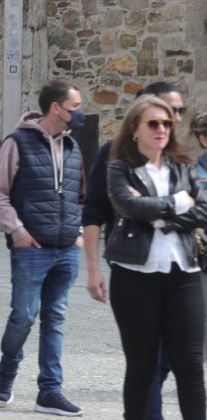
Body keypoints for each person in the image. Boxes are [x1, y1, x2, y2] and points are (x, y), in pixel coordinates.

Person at [83, 82, 185, 419]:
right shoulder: (114, 155)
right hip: (134, 268)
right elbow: (95, 211)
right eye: (162, 116)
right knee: (149, 362)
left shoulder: (180, 160)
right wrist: (94, 270)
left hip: (181, 272)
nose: (171, 121)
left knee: (174, 357)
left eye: (176, 115)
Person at [0, 79, 86, 416]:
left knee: (55, 319)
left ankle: (49, 391)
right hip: (31, 249)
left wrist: (78, 231)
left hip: (66, 248)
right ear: (56, 107)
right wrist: (19, 232)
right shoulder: (17, 143)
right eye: (75, 106)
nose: (80, 112)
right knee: (24, 317)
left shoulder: (73, 147)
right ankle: (7, 372)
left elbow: (80, 196)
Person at [105, 95, 207, 420]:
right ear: (135, 129)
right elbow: (128, 206)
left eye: (167, 123)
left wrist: (160, 215)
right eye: (153, 123)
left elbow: (204, 208)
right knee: (142, 366)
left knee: (190, 365)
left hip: (185, 272)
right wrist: (180, 202)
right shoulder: (120, 167)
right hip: (135, 275)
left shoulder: (185, 164)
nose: (161, 129)